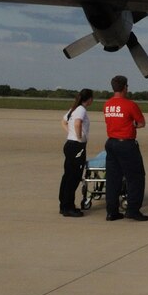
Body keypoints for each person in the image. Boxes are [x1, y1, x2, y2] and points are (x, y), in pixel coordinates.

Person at [103, 75, 148, 221]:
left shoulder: (107, 104)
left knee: (113, 179)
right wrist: (132, 125)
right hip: (126, 144)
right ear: (124, 88)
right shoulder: (130, 105)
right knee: (135, 178)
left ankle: (111, 211)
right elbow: (141, 123)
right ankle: (133, 210)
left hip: (111, 143)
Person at [58, 88, 93, 217]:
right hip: (77, 146)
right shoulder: (81, 110)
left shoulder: (73, 109)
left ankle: (64, 205)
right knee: (74, 177)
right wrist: (79, 137)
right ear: (89, 99)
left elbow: (63, 121)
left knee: (67, 175)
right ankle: (69, 207)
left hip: (69, 144)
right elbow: (78, 123)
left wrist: (70, 133)